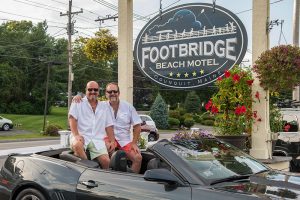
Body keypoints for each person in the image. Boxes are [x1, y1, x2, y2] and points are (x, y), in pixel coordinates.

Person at [73, 82, 143, 173]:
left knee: (138, 158)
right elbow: (89, 99)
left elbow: (137, 126)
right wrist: (78, 96)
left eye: (115, 91)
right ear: (106, 93)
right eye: (110, 92)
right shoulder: (101, 105)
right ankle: (107, 176)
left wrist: (134, 143)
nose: (112, 94)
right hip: (106, 138)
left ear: (119, 93)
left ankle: (131, 181)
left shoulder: (128, 107)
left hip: (123, 140)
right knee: (108, 149)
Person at [69, 81, 116, 169]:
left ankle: (105, 181)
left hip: (97, 140)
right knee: (77, 145)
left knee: (106, 162)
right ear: (86, 90)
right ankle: (88, 170)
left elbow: (109, 126)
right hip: (81, 137)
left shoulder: (105, 107)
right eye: (90, 89)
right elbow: (72, 119)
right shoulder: (78, 102)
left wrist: (112, 141)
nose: (93, 91)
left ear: (99, 91)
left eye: (95, 90)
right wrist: (76, 135)